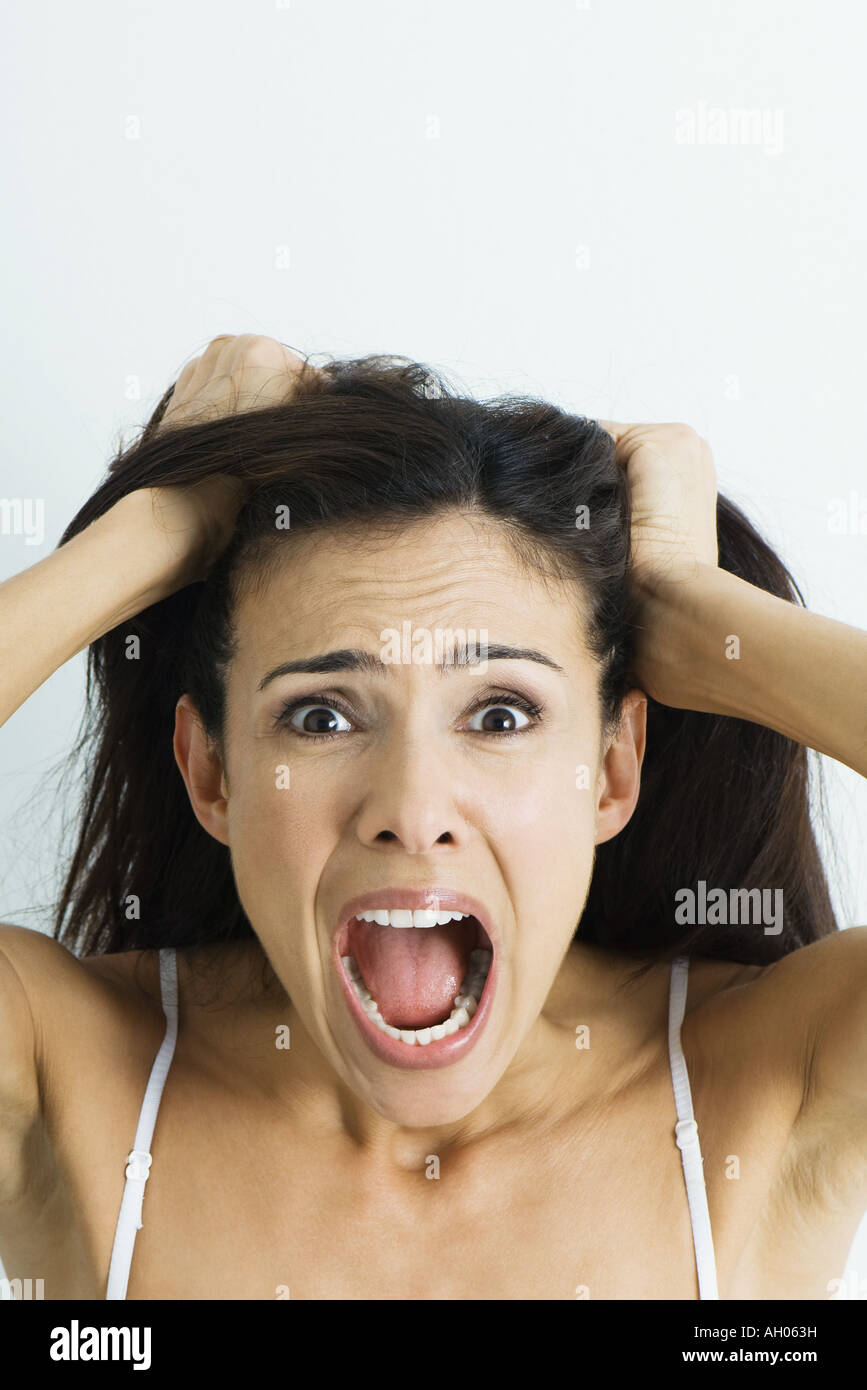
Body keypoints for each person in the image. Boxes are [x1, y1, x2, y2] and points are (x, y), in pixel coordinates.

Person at [0, 334, 864, 1300]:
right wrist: (157, 525)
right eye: (320, 716)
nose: (413, 812)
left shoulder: (772, 1084)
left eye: (500, 714)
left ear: (611, 770)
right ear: (212, 777)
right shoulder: (57, 1076)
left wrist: (701, 611)